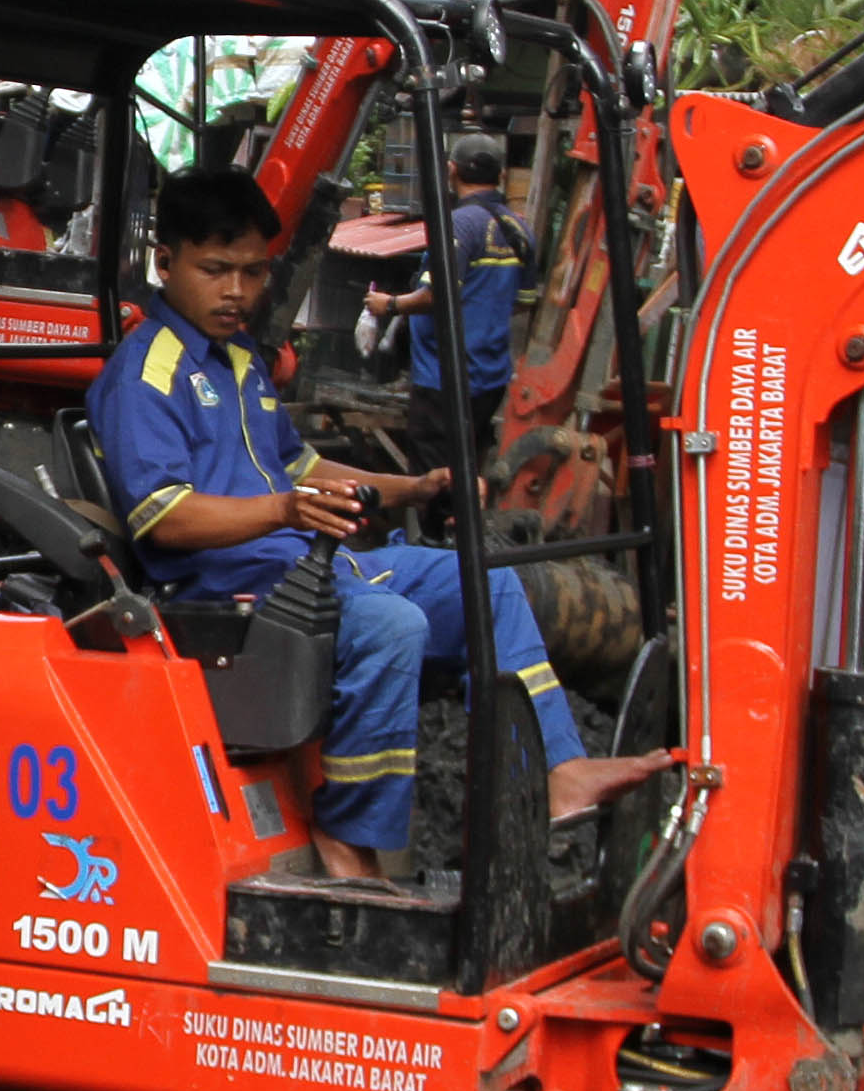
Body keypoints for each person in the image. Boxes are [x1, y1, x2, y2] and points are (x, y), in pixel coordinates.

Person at [90, 168, 664, 882]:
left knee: (485, 585)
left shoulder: (239, 363)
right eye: (215, 271)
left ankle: (559, 770)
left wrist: (411, 486)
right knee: (392, 624)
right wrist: (284, 511)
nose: (237, 292)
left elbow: (298, 471)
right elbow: (163, 519)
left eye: (252, 273)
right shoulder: (147, 372)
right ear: (166, 263)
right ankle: (348, 836)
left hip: (305, 567)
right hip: (230, 595)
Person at [356, 130, 528, 517]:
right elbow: (522, 301)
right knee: (468, 464)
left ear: (451, 170)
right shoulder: (518, 229)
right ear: (500, 175)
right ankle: (460, 537)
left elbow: (436, 294)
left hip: (444, 376)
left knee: (435, 476)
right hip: (490, 374)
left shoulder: (458, 226)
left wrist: (391, 305)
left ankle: (436, 550)